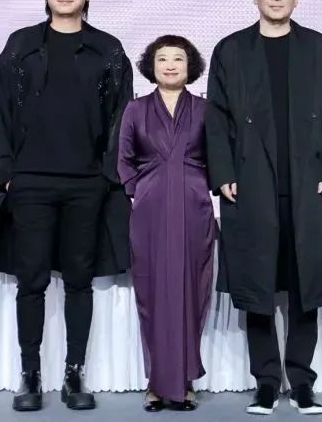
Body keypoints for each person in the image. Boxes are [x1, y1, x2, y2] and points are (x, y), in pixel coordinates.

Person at [0, 0, 134, 413]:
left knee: (78, 282)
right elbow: (2, 113)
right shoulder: (21, 45)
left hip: (87, 183)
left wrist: (108, 176)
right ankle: (29, 375)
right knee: (30, 281)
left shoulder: (108, 49)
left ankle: (74, 374)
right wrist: (5, 176)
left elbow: (121, 118)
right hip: (30, 181)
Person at [205, 0, 322, 416]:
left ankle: (302, 381)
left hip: (308, 183)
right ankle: (266, 382)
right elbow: (216, 118)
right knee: (258, 285)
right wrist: (223, 173)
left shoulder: (318, 47)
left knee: (306, 285)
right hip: (250, 183)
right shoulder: (231, 50)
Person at [117, 35, 217, 412]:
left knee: (192, 289)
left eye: (178, 58)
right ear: (151, 65)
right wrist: (140, 190)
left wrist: (201, 186)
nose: (170, 65)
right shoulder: (135, 109)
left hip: (194, 207)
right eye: (162, 59)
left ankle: (185, 380)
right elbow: (124, 160)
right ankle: (157, 383)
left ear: (191, 66)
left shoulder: (206, 110)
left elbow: (218, 158)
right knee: (152, 293)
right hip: (150, 210)